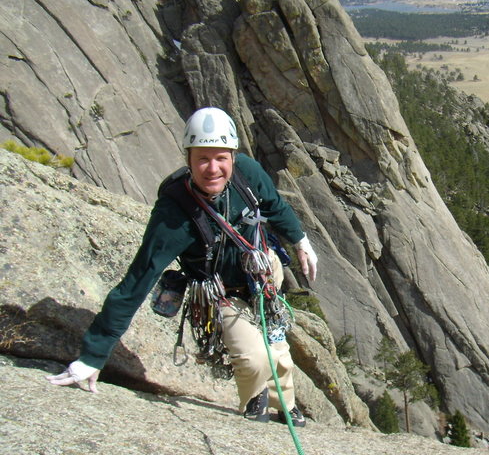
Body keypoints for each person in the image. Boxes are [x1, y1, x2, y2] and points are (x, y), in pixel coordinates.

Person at [47, 107, 318, 426]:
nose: (213, 168)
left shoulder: (246, 172)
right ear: (188, 159)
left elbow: (275, 205)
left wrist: (300, 241)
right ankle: (254, 396)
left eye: (221, 158)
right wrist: (94, 355)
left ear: (233, 155)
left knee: (276, 342)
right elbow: (138, 280)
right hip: (221, 291)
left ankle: (284, 403)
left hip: (262, 271)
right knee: (256, 357)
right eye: (202, 159)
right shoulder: (174, 214)